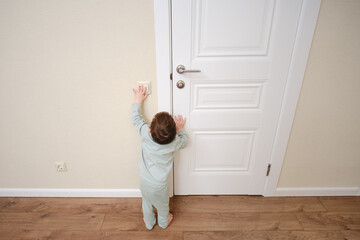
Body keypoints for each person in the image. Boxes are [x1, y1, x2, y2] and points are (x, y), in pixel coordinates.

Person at [132, 85, 188, 230]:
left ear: (150, 129)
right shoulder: (174, 142)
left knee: (146, 202)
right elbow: (184, 142)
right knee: (163, 206)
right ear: (173, 133)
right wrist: (181, 130)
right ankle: (164, 222)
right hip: (160, 185)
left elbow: (136, 119)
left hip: (144, 181)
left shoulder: (145, 134)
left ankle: (149, 223)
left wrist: (138, 100)